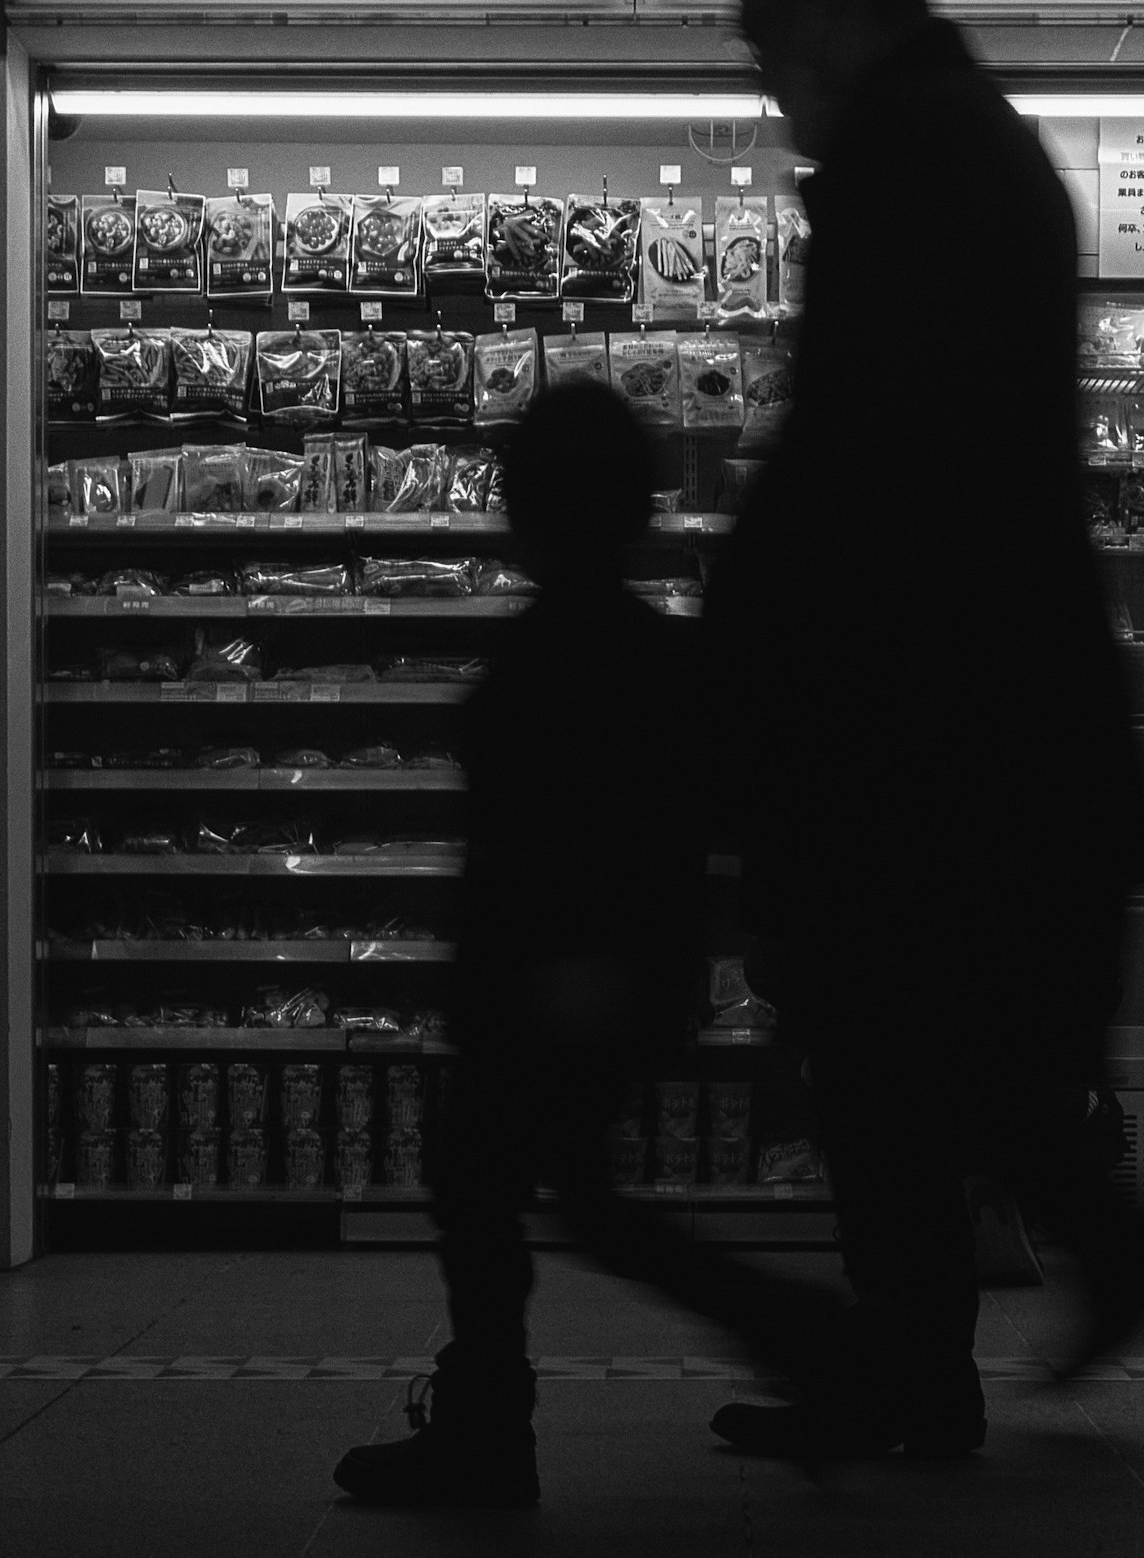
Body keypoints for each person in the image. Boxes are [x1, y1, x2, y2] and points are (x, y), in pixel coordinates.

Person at [703, 0, 1144, 1460]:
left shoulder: (908, 161)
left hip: (928, 716)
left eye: (765, 35)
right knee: (923, 1050)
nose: (763, 78)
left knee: (883, 1043)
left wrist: (730, 643)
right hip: (994, 706)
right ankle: (957, 1338)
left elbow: (849, 450)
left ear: (833, 12)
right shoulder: (983, 144)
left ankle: (942, 1352)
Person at [332, 379, 838, 1509]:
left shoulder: (566, 648)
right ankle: (789, 1331)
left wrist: (548, 967)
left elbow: (552, 838)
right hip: (597, 973)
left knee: (491, 1188)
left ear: (536, 506)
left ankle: (490, 1431)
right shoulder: (643, 646)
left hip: (557, 980)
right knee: (569, 1198)